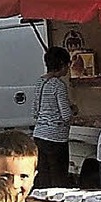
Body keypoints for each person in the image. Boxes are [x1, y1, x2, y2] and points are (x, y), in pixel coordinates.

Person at [32, 48, 74, 189]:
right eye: (68, 64)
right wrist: (73, 110)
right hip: (56, 139)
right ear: (62, 64)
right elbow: (66, 115)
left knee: (43, 177)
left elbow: (35, 111)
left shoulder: (40, 82)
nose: (68, 68)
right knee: (59, 178)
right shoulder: (58, 85)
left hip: (39, 135)